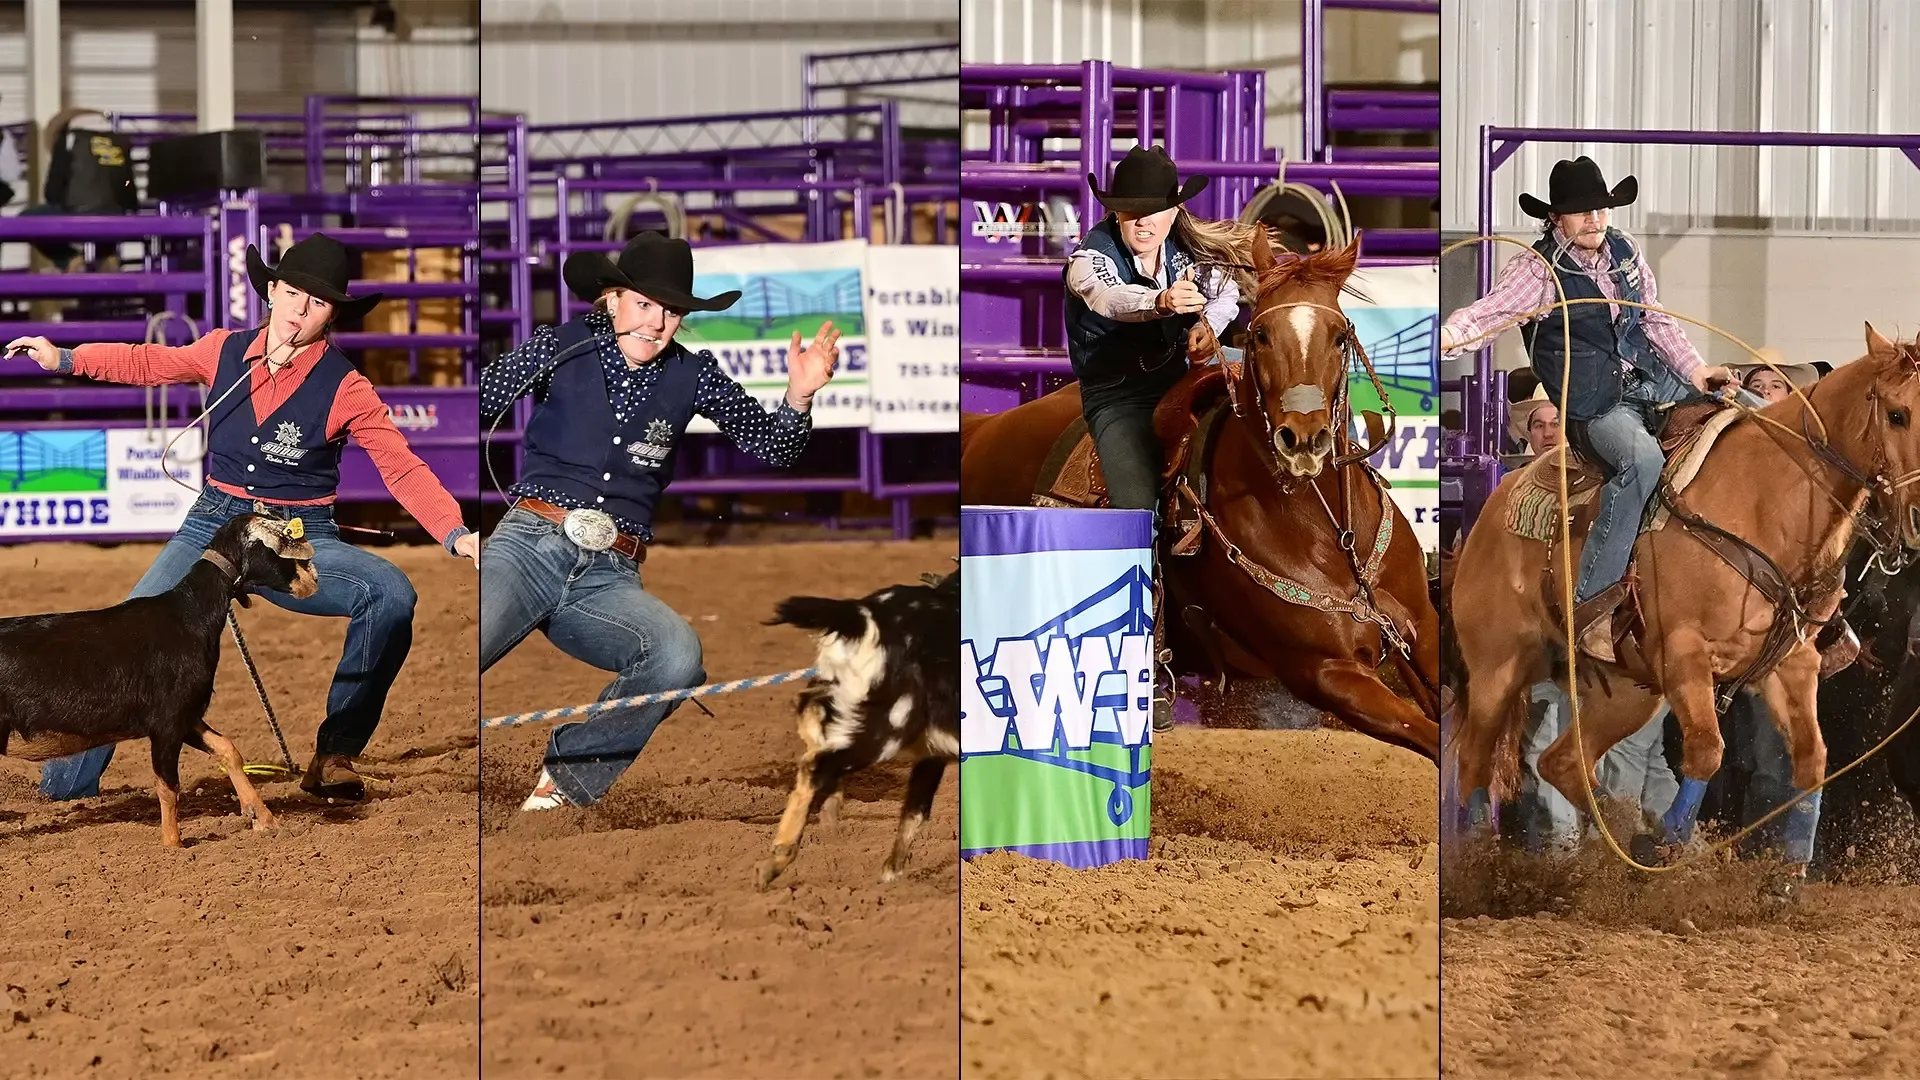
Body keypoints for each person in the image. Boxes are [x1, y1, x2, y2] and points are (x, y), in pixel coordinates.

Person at [6, 232, 479, 803]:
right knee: (124, 635)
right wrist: (67, 358)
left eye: (319, 302)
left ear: (331, 315)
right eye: (294, 293)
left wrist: (454, 531)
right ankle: (68, 786)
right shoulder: (223, 350)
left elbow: (400, 467)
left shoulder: (347, 387)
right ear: (272, 291)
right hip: (214, 521)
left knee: (391, 594)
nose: (301, 310)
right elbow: (151, 361)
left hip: (295, 536)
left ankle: (336, 752)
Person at [479, 231, 840, 810]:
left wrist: (798, 397)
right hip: (529, 543)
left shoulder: (692, 374)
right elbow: (477, 399)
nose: (656, 322)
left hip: (610, 573)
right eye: (644, 304)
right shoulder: (559, 347)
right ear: (612, 301)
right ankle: (351, 756)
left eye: (670, 311)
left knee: (676, 657)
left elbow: (775, 447)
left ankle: (566, 782)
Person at [1438, 155, 1742, 664]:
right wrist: (1449, 335)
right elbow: (1490, 312)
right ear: (1556, 218)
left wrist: (1697, 373)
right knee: (1641, 460)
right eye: (1581, 212)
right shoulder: (1537, 270)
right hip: (1592, 404)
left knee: (1742, 417)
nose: (1594, 220)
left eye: (1599, 208)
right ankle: (1592, 603)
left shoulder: (1625, 252)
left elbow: (1656, 323)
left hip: (1652, 385)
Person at [1064, 144, 1251, 730]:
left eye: (1152, 210)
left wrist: (1206, 327)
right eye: (1129, 211)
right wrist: (1164, 301)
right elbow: (1110, 299)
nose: (1142, 221)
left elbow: (1226, 296)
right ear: (1115, 214)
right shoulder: (1088, 259)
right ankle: (1143, 665)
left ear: (1174, 212)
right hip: (1117, 394)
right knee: (1135, 512)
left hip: (1183, 378)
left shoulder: (1192, 252)